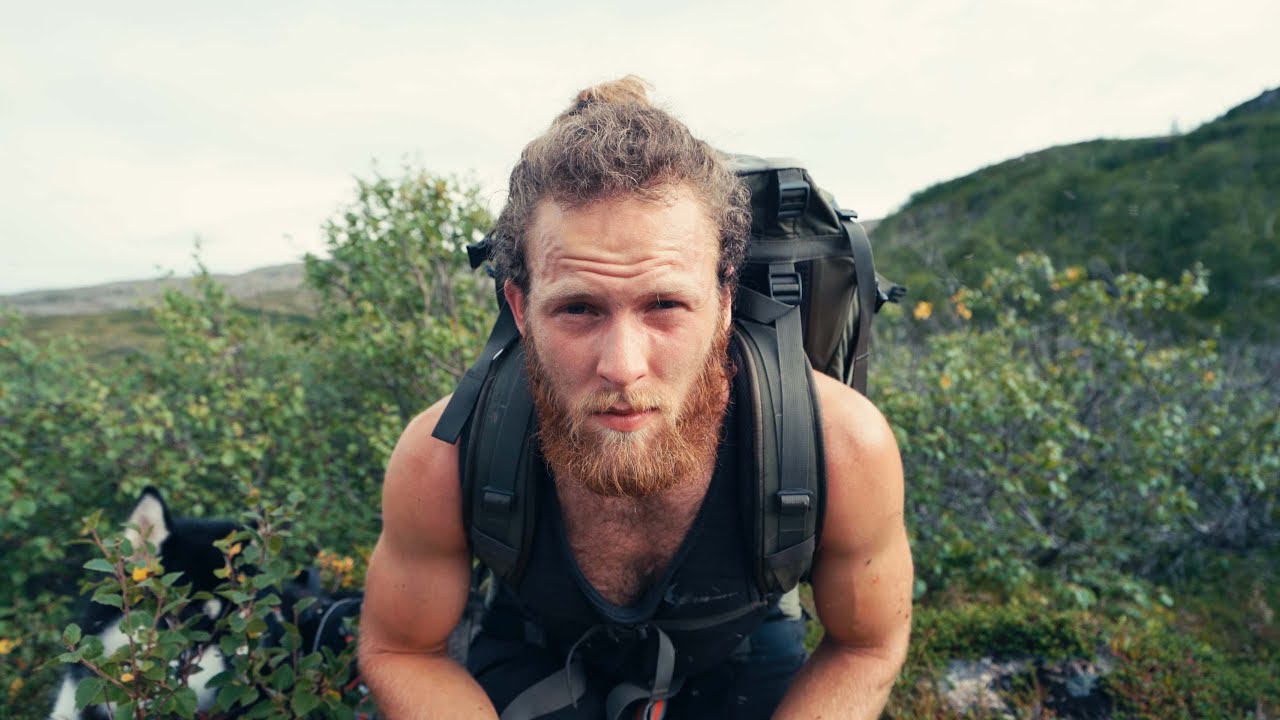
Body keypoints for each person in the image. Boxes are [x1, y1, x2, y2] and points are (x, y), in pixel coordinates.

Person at [358, 76, 913, 719]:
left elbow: (867, 645)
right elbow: (403, 650)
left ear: (725, 302)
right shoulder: (445, 456)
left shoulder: (839, 444)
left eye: (665, 305)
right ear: (520, 305)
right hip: (539, 647)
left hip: (736, 649)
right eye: (578, 308)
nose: (623, 367)